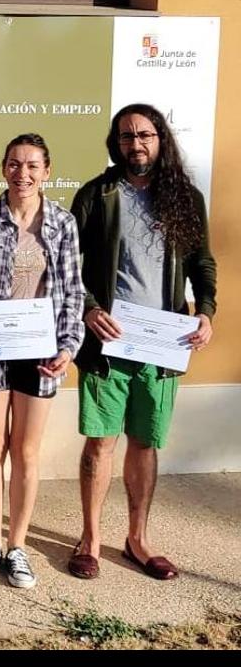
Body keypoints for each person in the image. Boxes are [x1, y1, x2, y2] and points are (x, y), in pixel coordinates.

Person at [68, 104, 216, 581]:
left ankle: (137, 539)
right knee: (99, 444)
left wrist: (207, 313)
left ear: (160, 139)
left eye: (145, 135)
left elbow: (202, 265)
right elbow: (69, 267)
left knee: (145, 444)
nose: (137, 143)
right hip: (108, 345)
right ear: (116, 142)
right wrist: (90, 309)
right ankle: (90, 540)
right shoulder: (97, 194)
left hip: (162, 344)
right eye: (127, 135)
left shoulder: (186, 199)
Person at [0, 133, 84, 588]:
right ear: (3, 168)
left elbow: (72, 294)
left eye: (31, 166)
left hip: (41, 352)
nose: (21, 174)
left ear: (47, 171)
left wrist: (68, 348)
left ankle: (18, 546)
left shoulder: (63, 224)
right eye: (13, 164)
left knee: (26, 451)